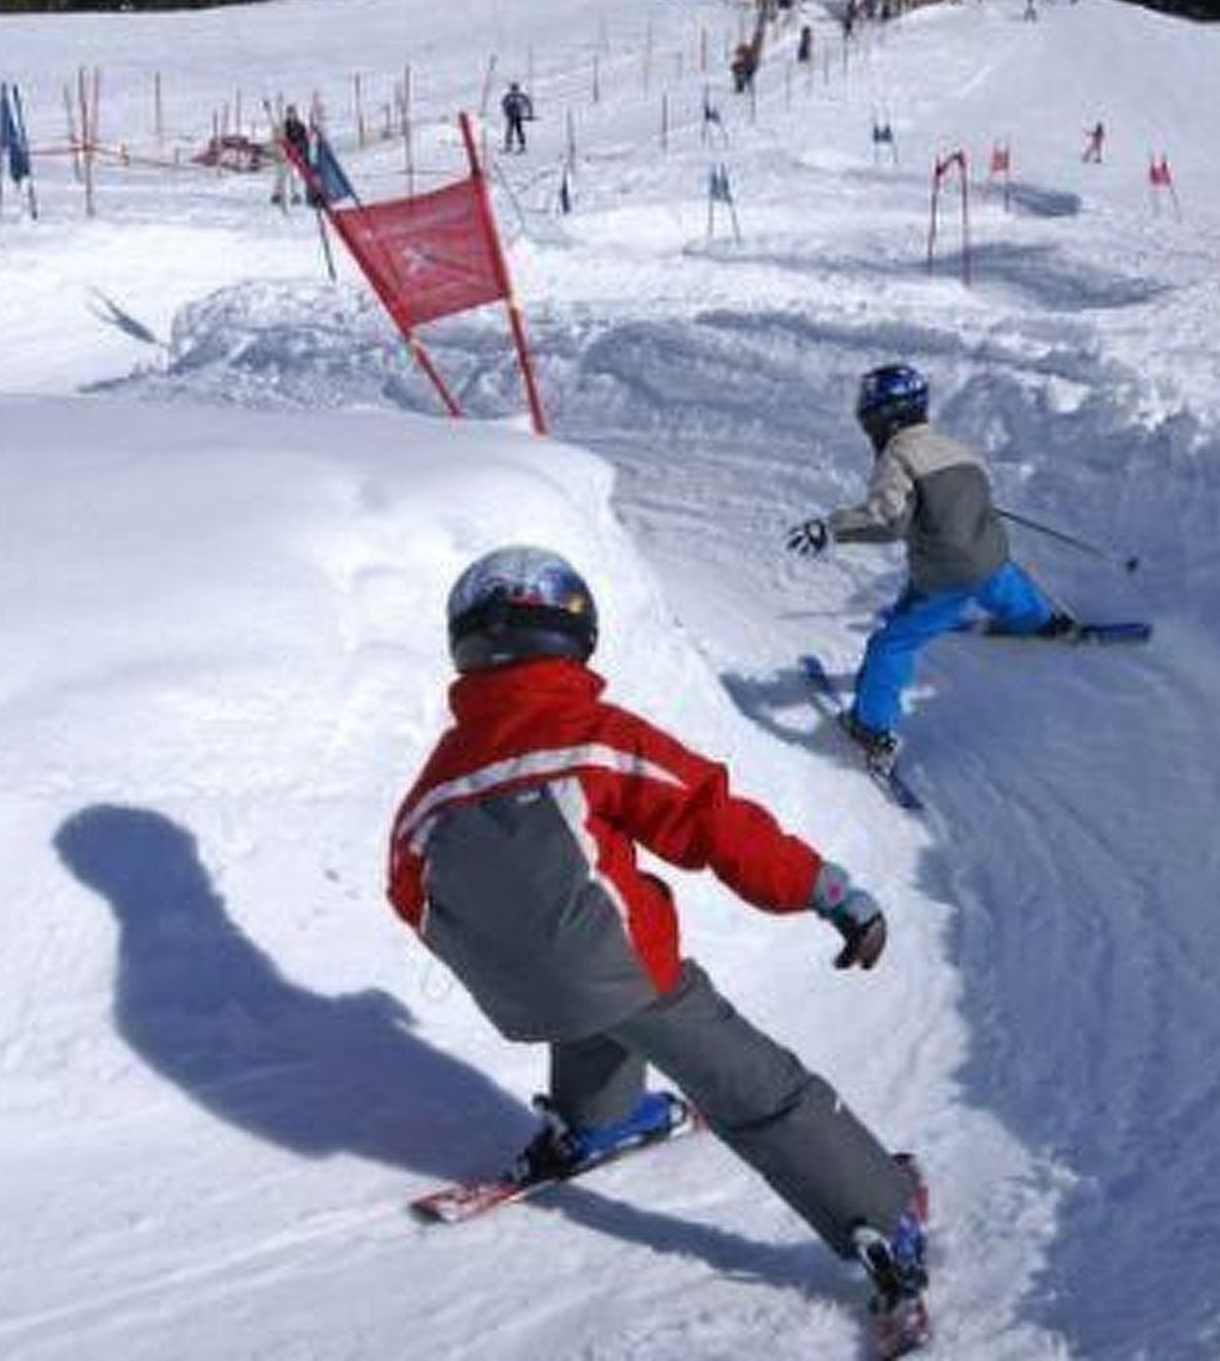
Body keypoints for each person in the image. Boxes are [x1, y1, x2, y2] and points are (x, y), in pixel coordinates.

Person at [389, 546, 932, 1356]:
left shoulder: (438, 777)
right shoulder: (591, 735)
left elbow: (407, 886)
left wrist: (506, 952)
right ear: (572, 634)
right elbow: (711, 820)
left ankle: (596, 1121)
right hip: (629, 972)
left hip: (523, 993)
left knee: (588, 996)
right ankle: (882, 1213)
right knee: (758, 1090)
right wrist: (826, 890)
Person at [785, 363, 1069, 772]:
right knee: (999, 582)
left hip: (944, 576)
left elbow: (889, 520)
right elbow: (976, 493)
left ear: (885, 415)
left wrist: (831, 529)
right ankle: (1041, 622)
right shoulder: (957, 448)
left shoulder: (897, 456)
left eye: (868, 409)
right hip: (990, 554)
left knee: (892, 644)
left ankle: (871, 727)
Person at [501, 82, 530, 153]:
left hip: (517, 116)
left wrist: (528, 112)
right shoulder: (509, 96)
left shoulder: (520, 96)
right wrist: (506, 110)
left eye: (515, 89)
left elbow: (528, 102)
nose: (514, 91)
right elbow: (503, 103)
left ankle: (521, 145)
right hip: (511, 116)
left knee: (518, 130)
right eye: (513, 89)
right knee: (510, 131)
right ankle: (509, 145)